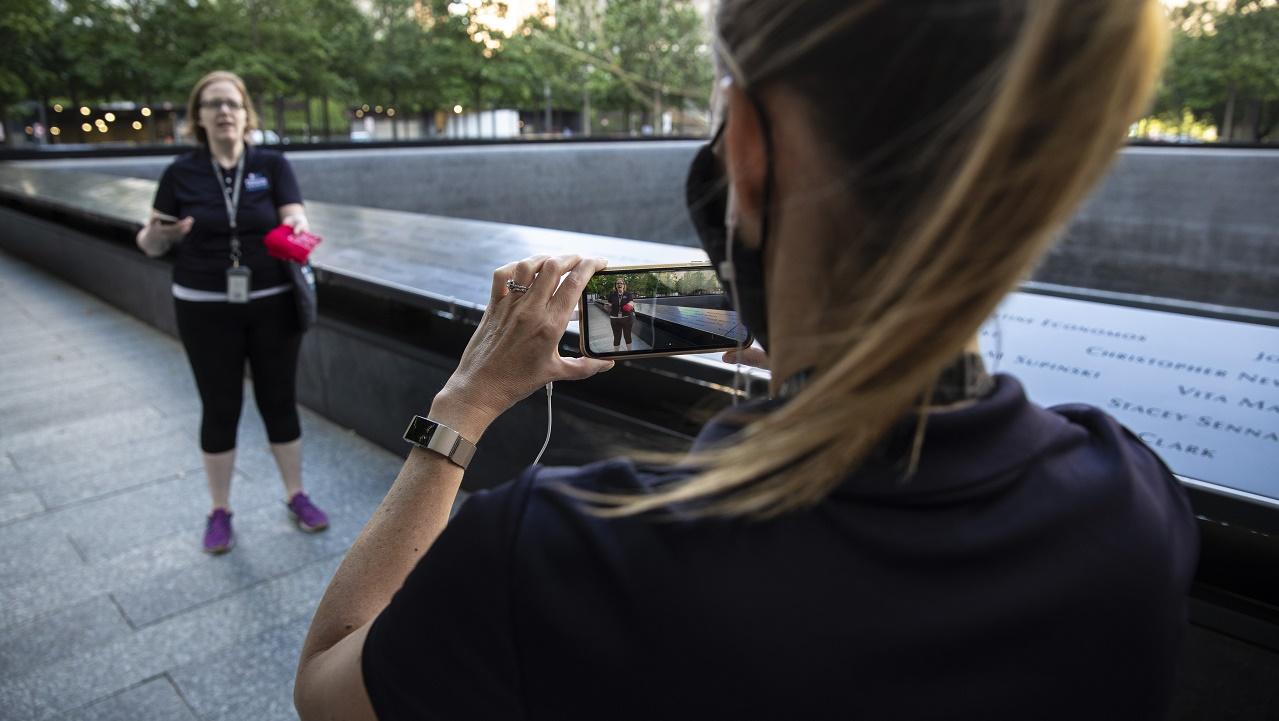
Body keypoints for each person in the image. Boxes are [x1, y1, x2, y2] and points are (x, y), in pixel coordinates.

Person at [294, 1, 1197, 719]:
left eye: (722, 113)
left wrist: (463, 401)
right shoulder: (1134, 503)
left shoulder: (562, 557)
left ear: (754, 158)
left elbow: (327, 680)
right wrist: (800, 330)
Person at [136, 70, 328, 554]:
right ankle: (219, 510)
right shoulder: (181, 172)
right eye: (213, 104)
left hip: (273, 304)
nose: (224, 111)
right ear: (198, 117)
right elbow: (149, 243)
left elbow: (293, 213)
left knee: (279, 400)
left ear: (246, 114)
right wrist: (163, 234)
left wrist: (297, 224)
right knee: (219, 406)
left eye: (233, 104)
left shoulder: (272, 164)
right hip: (204, 306)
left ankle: (296, 494)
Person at [605, 277, 636, 352]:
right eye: (617, 283)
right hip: (615, 319)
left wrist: (630, 305)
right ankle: (616, 354)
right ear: (615, 285)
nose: (619, 284)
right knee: (616, 337)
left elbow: (632, 302)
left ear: (624, 285)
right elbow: (609, 303)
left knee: (627, 336)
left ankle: (630, 352)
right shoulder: (612, 294)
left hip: (627, 319)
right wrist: (607, 306)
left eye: (621, 283)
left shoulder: (628, 294)